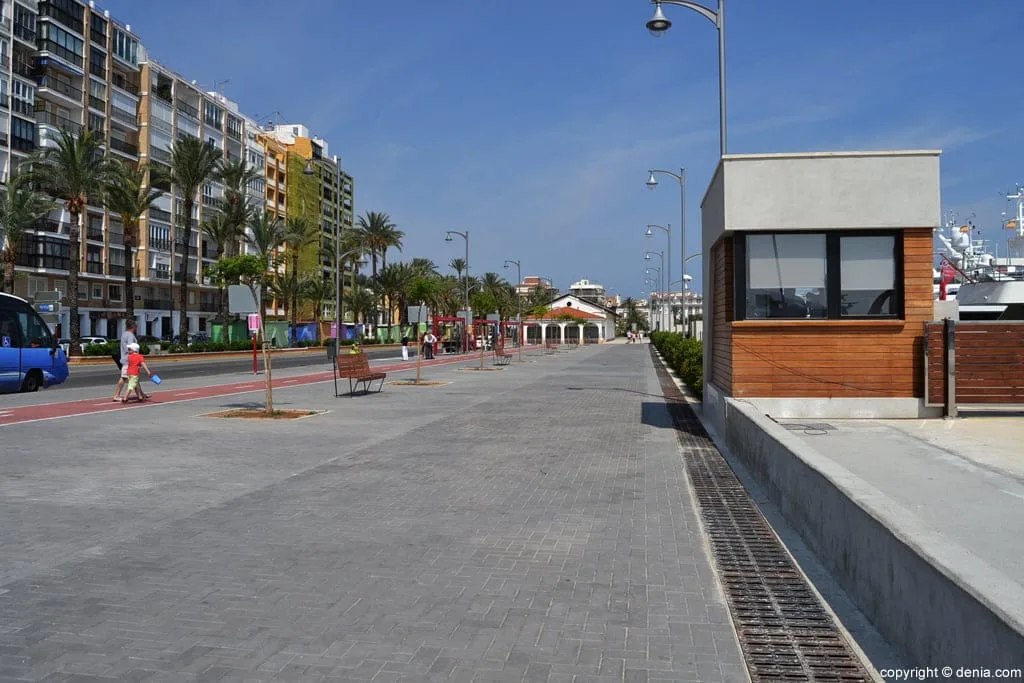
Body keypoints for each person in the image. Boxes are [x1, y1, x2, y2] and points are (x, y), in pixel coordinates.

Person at [112, 319, 138, 402]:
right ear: (133, 326)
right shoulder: (130, 335)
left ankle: (140, 394)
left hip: (126, 358)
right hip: (129, 360)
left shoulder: (124, 334)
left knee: (134, 378)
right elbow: (131, 347)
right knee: (124, 378)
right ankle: (116, 395)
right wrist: (135, 356)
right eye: (136, 326)